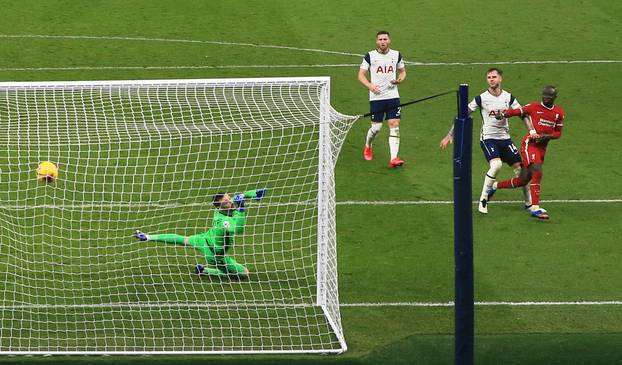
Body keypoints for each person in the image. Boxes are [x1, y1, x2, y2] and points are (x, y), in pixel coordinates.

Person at [440, 68, 534, 214]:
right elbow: (463, 114)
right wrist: (450, 135)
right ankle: (483, 199)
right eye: (489, 77)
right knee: (496, 165)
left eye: (494, 77)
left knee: (522, 172)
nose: (491, 79)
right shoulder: (481, 98)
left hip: (505, 139)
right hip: (488, 138)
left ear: (500, 79)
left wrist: (532, 131)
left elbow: (522, 114)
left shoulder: (508, 98)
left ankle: (529, 203)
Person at [134, 188, 267, 278]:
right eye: (227, 201)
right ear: (220, 206)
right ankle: (206, 270)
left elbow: (241, 196)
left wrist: (255, 193)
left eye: (229, 198)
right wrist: (241, 209)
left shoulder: (222, 209)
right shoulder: (222, 221)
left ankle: (148, 237)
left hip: (204, 239)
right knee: (244, 273)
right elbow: (239, 229)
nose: (231, 201)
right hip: (215, 255)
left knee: (183, 240)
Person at [488, 86, 565, 219]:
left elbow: (558, 133)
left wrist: (546, 137)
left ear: (554, 97)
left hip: (542, 148)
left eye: (549, 96)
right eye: (544, 94)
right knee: (537, 170)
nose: (546, 97)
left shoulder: (559, 113)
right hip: (530, 145)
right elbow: (517, 111)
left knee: (523, 180)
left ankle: (495, 186)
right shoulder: (534, 107)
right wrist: (503, 114)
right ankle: (535, 208)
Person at [358, 30, 407, 168]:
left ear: (389, 41)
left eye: (385, 39)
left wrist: (399, 80)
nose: (383, 42)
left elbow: (402, 72)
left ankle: (394, 158)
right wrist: (369, 85)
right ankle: (368, 145)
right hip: (376, 97)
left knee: (394, 124)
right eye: (380, 39)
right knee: (376, 128)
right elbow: (361, 75)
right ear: (376, 41)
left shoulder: (396, 55)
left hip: (393, 96)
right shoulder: (370, 56)